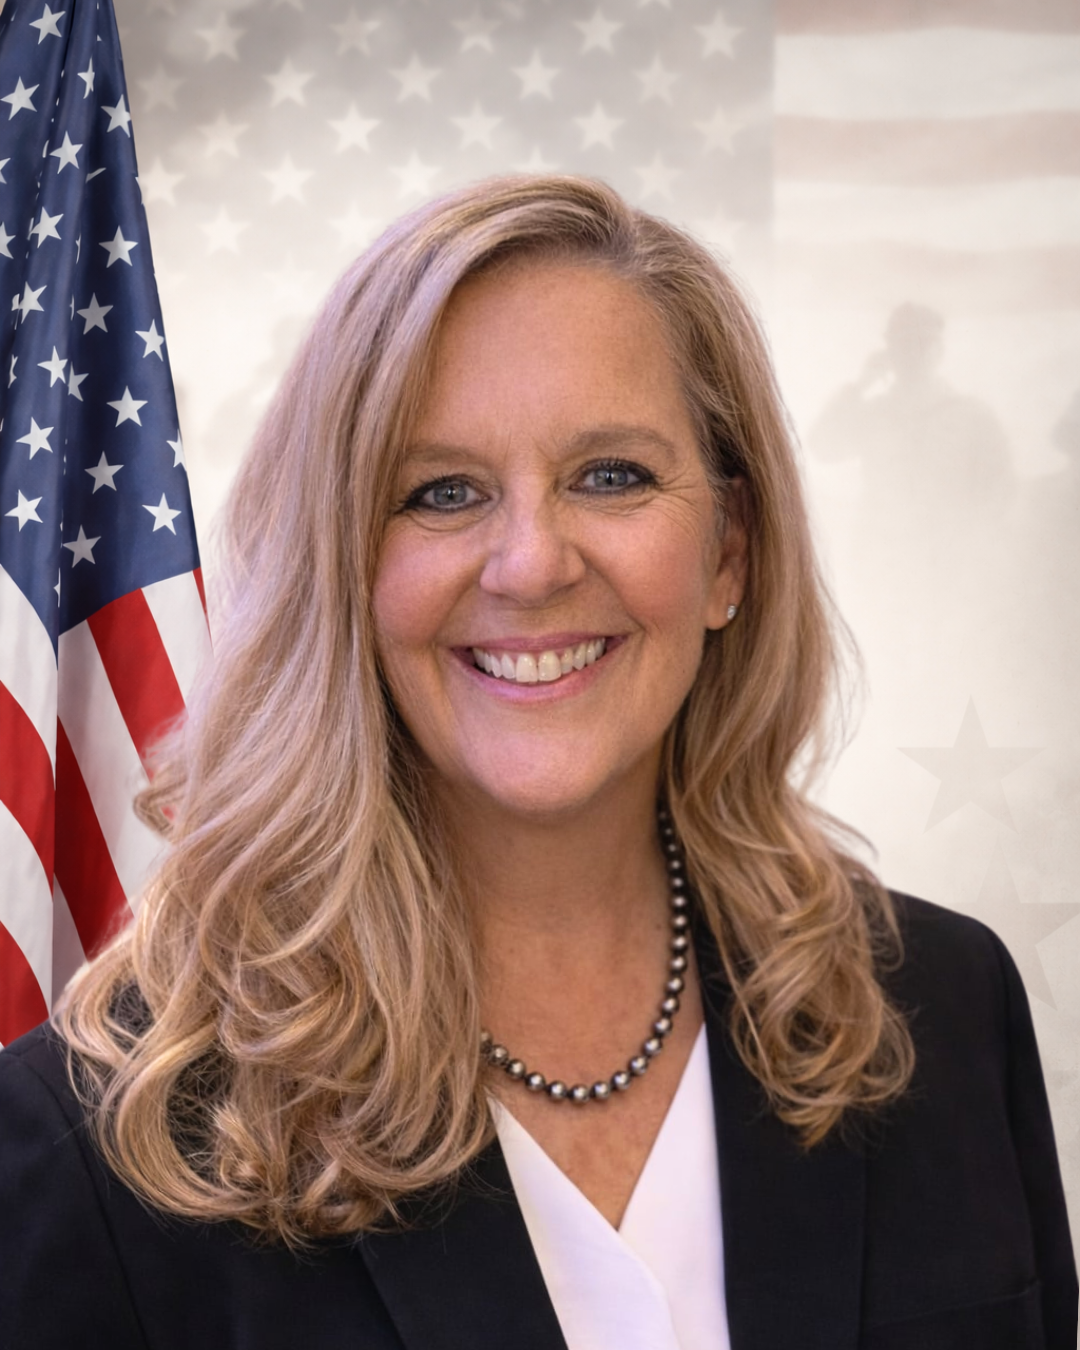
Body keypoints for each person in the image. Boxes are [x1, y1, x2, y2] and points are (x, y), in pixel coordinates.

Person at [0, 176, 1074, 1350]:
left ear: (729, 550)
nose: (531, 564)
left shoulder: (946, 1009)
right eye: (441, 492)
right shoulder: (97, 1146)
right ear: (339, 570)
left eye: (611, 475)